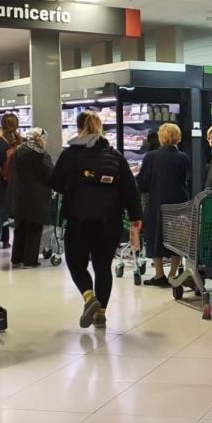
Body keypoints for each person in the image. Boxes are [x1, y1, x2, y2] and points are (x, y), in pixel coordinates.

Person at [51, 111, 142, 329]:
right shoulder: (115, 156)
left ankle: (89, 297)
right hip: (109, 221)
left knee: (75, 263)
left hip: (79, 219)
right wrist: (136, 216)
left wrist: (71, 188)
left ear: (78, 126)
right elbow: (130, 189)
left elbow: (54, 182)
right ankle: (101, 314)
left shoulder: (70, 155)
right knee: (103, 267)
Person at [137, 123, 191, 288]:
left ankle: (159, 274)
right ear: (178, 137)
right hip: (179, 202)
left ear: (161, 137)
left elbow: (142, 182)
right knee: (177, 237)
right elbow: (185, 179)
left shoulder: (151, 157)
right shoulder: (183, 157)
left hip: (157, 201)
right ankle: (173, 274)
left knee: (155, 236)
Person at [6, 127, 53, 268]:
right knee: (34, 228)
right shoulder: (41, 155)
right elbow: (50, 175)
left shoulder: (17, 152)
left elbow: (10, 172)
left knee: (20, 228)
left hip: (19, 195)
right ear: (41, 139)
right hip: (36, 197)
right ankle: (30, 261)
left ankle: (16, 259)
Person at [0, 112, 22, 249]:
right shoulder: (22, 141)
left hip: (0, 183)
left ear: (2, 125)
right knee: (7, 214)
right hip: (16, 184)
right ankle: (7, 241)